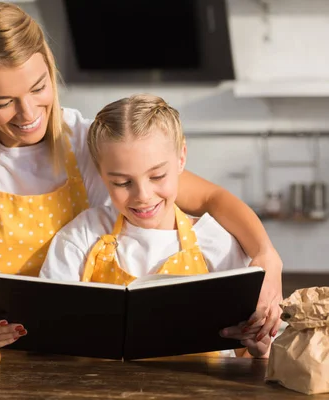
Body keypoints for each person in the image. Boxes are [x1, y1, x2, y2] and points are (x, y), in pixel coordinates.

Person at [0, 2, 282, 351]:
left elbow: (209, 199)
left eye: (39, 88)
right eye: (3, 103)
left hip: (63, 350)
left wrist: (267, 255)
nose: (27, 113)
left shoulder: (81, 141)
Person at [39, 94, 270, 358]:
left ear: (181, 158)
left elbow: (247, 352)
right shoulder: (81, 236)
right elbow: (49, 328)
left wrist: (259, 348)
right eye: (122, 183)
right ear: (101, 173)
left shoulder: (217, 243)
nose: (143, 195)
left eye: (157, 176)